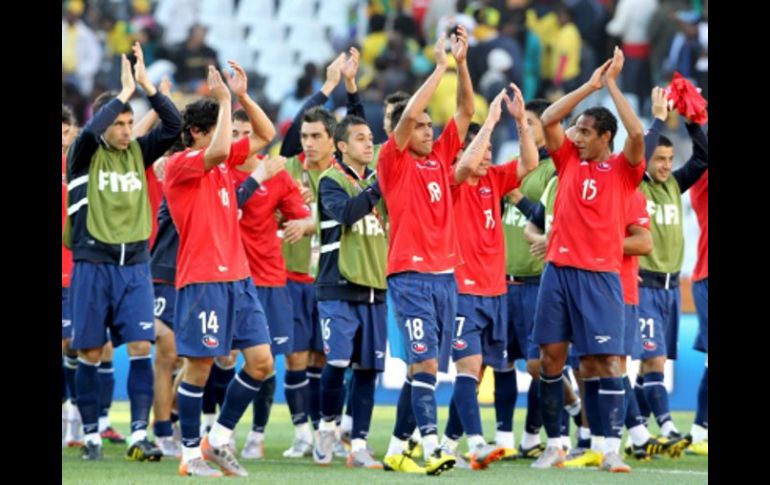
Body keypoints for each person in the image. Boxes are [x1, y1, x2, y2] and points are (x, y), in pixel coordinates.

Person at [64, 42, 181, 461]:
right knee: (91, 351)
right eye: (120, 123)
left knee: (139, 348)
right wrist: (123, 93)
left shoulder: (138, 151)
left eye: (131, 123)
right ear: (106, 123)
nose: (127, 130)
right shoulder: (81, 156)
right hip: (93, 265)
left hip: (134, 267)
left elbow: (172, 125)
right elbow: (94, 129)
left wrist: (148, 86)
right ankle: (92, 434)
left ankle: (136, 434)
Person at [163, 62, 281, 477]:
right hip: (203, 278)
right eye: (224, 128)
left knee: (263, 363)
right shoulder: (181, 166)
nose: (233, 140)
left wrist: (243, 97)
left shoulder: (222, 162)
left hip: (238, 277)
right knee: (200, 365)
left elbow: (268, 135)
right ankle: (191, 453)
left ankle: (218, 439)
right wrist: (225, 99)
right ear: (196, 132)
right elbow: (214, 152)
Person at [531, 47, 645, 472]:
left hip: (599, 277)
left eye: (584, 132)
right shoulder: (567, 162)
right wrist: (590, 85)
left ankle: (607, 446)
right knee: (551, 360)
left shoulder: (623, 169)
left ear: (603, 138)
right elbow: (547, 120)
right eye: (575, 130)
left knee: (606, 363)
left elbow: (636, 135)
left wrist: (613, 85)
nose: (575, 137)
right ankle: (556, 444)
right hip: (557, 274)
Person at [377, 25, 474, 476]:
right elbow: (410, 113)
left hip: (444, 276)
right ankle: (431, 447)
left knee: (423, 369)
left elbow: (466, 109)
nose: (428, 129)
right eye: (420, 124)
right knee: (426, 362)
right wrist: (438, 68)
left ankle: (397, 448)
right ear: (403, 130)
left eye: (431, 125)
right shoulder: (393, 163)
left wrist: (462, 64)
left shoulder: (440, 158)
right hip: (410, 275)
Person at [441, 83, 537, 469]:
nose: (488, 157)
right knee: (468, 367)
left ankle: (447, 446)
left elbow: (528, 163)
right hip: (462, 289)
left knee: (477, 370)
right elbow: (464, 166)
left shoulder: (495, 180)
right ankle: (478, 442)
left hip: (495, 291)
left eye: (490, 151)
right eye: (482, 150)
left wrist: (520, 124)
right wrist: (489, 123)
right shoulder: (454, 181)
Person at [230, 109, 314, 460]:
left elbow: (304, 216)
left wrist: (303, 225)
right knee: (217, 358)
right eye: (234, 132)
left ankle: (256, 435)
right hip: (227, 277)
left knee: (266, 363)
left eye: (247, 132)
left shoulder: (276, 175)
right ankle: (207, 426)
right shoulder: (219, 170)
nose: (240, 139)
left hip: (267, 278)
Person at [312, 115, 387, 469]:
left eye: (371, 138)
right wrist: (378, 188)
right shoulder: (331, 180)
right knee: (338, 361)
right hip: (337, 285)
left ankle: (358, 444)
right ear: (342, 146)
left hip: (374, 284)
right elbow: (346, 213)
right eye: (360, 138)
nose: (369, 144)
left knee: (368, 370)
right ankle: (327, 426)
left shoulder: (374, 181)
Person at [635, 86, 708, 445]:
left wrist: (694, 123)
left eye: (669, 158)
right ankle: (667, 428)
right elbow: (638, 157)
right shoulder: (635, 187)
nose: (665, 165)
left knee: (649, 366)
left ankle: (632, 433)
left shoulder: (673, 185)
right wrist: (659, 118)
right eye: (658, 159)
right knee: (655, 362)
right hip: (642, 285)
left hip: (670, 288)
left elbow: (703, 157)